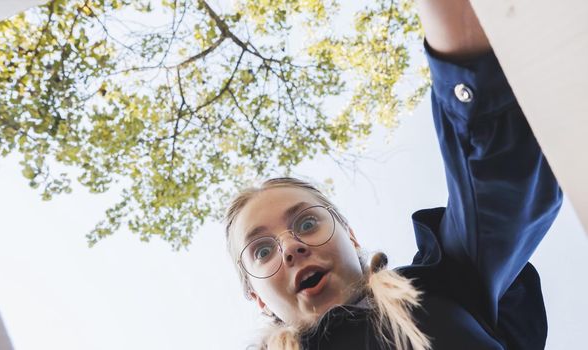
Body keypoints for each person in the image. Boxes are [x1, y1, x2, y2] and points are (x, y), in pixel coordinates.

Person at [223, 0, 563, 349]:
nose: (291, 247)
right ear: (259, 298)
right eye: (263, 251)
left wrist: (458, 43)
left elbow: (500, 176)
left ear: (352, 239)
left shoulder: (446, 283)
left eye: (308, 224)